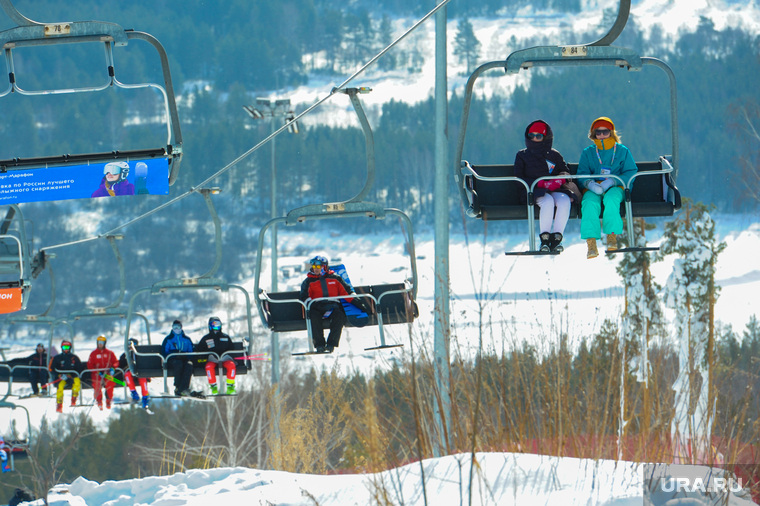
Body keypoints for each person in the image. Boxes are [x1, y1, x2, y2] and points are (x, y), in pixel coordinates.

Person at [513, 120, 580, 252]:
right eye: (531, 135)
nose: (534, 138)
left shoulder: (554, 155)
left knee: (564, 200)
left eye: (539, 136)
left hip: (554, 189)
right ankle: (544, 239)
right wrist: (539, 183)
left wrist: (559, 181)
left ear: (546, 138)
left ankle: (556, 238)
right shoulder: (522, 155)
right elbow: (518, 178)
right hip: (533, 191)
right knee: (547, 202)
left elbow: (565, 172)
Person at [577, 117, 638, 259]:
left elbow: (630, 172)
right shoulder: (588, 152)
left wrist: (612, 181)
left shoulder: (622, 151)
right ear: (594, 134)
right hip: (595, 187)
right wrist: (590, 184)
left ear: (611, 132)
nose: (602, 135)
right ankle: (591, 242)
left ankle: (611, 236)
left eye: (605, 131)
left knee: (611, 200)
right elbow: (582, 173)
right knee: (589, 202)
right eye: (598, 132)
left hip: (616, 187)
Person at [299, 255, 356, 353]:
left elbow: (346, 291)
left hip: (332, 306)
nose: (315, 269)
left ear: (324, 267)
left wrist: (356, 301)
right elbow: (304, 296)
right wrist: (311, 303)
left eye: (318, 266)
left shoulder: (335, 278)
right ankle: (319, 345)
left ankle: (331, 344)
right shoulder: (309, 281)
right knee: (314, 317)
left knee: (339, 316)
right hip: (317, 306)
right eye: (313, 266)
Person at [196, 316, 238, 395]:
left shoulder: (225, 337)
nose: (216, 326)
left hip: (225, 359)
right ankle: (213, 386)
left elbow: (231, 348)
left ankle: (230, 386)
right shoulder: (206, 338)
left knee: (231, 366)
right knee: (209, 367)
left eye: (218, 324)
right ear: (210, 326)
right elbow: (200, 349)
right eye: (214, 324)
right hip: (213, 359)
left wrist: (230, 355)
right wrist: (204, 357)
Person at [161, 319, 195, 396]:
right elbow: (164, 352)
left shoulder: (186, 339)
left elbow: (191, 351)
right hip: (172, 360)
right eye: (174, 327)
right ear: (172, 328)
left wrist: (186, 356)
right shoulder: (168, 339)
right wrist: (174, 354)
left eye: (178, 327)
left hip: (184, 359)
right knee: (178, 364)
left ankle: (184, 388)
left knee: (189, 365)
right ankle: (178, 387)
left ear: (181, 328)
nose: (176, 329)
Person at [48, 340, 83, 413]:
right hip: (62, 378)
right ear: (62, 348)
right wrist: (59, 375)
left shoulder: (74, 358)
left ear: (70, 348)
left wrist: (72, 375)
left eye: (67, 347)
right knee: (60, 386)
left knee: (77, 383)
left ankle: (74, 398)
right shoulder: (57, 358)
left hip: (72, 377)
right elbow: (51, 368)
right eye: (64, 347)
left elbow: (79, 369)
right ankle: (59, 404)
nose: (66, 349)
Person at [87, 335, 120, 410]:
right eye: (99, 342)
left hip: (107, 373)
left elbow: (116, 362)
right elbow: (89, 365)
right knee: (96, 383)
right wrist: (97, 372)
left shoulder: (109, 353)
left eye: (102, 342)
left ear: (104, 343)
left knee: (110, 382)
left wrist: (113, 368)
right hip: (97, 374)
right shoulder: (93, 354)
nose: (100, 344)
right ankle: (99, 401)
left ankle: (108, 399)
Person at [119, 338, 151, 409]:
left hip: (140, 372)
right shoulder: (125, 355)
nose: (131, 348)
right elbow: (121, 364)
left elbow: (146, 362)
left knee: (142, 377)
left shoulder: (140, 354)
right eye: (129, 346)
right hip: (130, 373)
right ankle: (134, 393)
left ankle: (145, 396)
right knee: (127, 375)